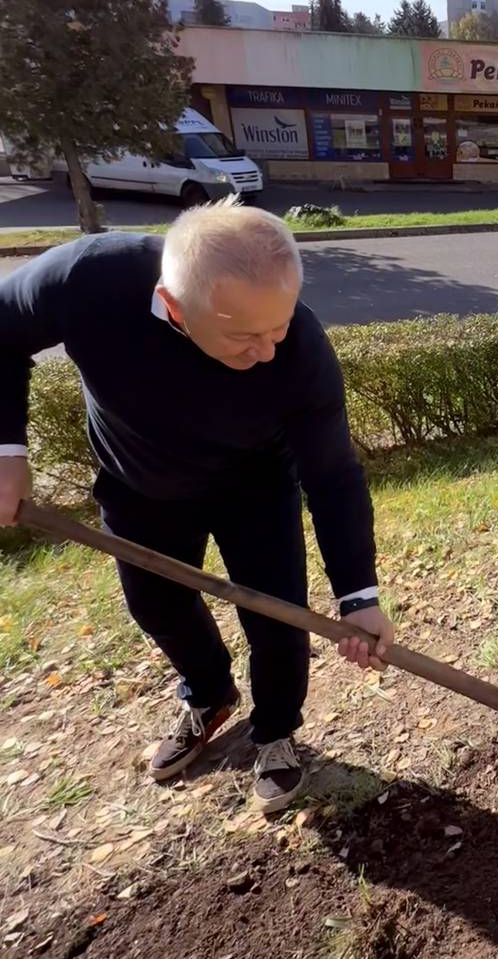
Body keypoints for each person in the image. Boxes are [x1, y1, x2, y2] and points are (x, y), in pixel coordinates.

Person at [0, 201, 394, 813]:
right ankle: (209, 696)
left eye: (279, 324)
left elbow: (335, 476)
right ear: (175, 307)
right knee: (157, 606)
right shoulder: (88, 279)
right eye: (244, 335)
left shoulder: (300, 351)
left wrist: (359, 597)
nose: (268, 350)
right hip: (140, 483)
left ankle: (276, 732)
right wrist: (6, 451)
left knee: (279, 620)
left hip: (253, 485)